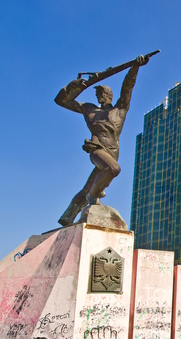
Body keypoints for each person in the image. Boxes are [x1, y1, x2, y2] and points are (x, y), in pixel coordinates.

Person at [55, 53, 154, 226]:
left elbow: (128, 89)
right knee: (113, 169)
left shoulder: (119, 110)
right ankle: (93, 197)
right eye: (98, 93)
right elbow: (61, 101)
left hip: (113, 151)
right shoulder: (89, 110)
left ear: (109, 95)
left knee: (89, 185)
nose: (100, 96)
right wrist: (75, 87)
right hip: (97, 148)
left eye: (102, 93)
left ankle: (68, 215)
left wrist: (135, 68)